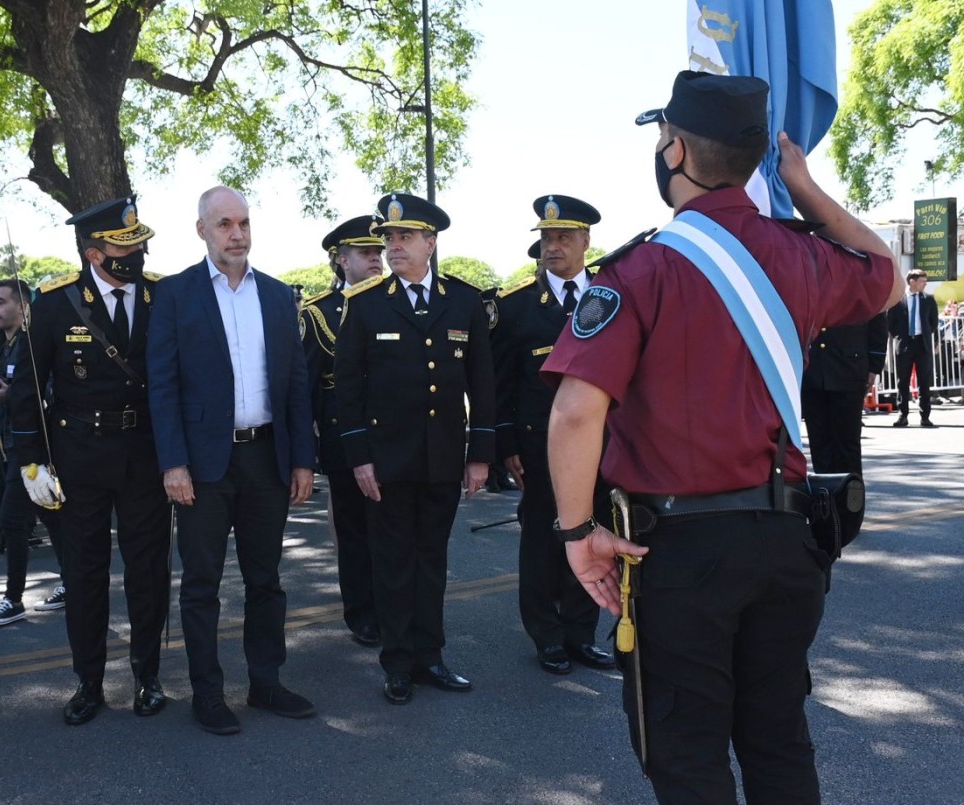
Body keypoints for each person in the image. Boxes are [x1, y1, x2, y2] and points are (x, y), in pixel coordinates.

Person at [544, 71, 902, 803]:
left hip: (682, 554)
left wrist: (578, 530)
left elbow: (576, 411)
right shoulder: (800, 254)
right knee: (778, 745)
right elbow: (888, 277)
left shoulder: (641, 269)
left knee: (686, 755)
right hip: (785, 541)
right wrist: (802, 185)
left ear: (674, 151)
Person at [147, 186, 317, 735]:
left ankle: (266, 683)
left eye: (243, 222)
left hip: (268, 458)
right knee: (202, 585)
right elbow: (163, 386)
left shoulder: (275, 294)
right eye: (224, 224)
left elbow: (295, 381)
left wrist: (302, 459)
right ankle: (209, 693)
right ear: (202, 230)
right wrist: (173, 463)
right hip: (201, 466)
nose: (237, 233)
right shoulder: (175, 295)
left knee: (266, 581)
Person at [7, 195, 172, 725]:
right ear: (94, 253)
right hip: (78, 456)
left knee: (148, 571)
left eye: (140, 242)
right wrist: (32, 462)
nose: (139, 251)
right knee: (84, 574)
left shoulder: (160, 297)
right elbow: (29, 388)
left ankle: (148, 675)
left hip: (145, 455)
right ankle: (89, 681)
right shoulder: (55, 304)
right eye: (126, 245)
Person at [333, 192, 496, 705]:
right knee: (392, 563)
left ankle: (431, 657)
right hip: (387, 460)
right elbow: (348, 388)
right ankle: (397, 663)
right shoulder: (364, 304)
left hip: (443, 457)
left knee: (432, 561)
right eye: (388, 238)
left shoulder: (464, 302)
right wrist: (359, 457)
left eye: (404, 237)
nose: (393, 246)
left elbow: (483, 386)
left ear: (431, 241)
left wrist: (480, 455)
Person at [492, 195, 614, 676]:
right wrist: (506, 446)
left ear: (586, 241)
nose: (554, 246)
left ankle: (581, 633)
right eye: (546, 238)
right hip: (540, 448)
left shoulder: (612, 295)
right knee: (544, 543)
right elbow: (500, 383)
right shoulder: (518, 306)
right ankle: (547, 636)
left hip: (604, 445)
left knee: (594, 534)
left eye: (564, 237)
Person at [299, 215, 384, 647]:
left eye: (378, 251)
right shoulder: (319, 314)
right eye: (365, 252)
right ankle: (362, 612)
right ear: (340, 259)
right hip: (343, 438)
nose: (376, 258)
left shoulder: (394, 300)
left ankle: (392, 605)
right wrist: (308, 452)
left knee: (394, 529)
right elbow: (309, 387)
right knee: (354, 532)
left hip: (392, 435)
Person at [0, 278, 67, 627]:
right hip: (10, 447)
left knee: (12, 521)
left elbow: (49, 399)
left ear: (22, 307)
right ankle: (73, 582)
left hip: (34, 451)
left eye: (0, 302)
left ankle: (12, 600)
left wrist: (12, 394)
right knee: (53, 519)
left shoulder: (34, 346)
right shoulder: (1, 347)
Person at [802, 315, 888, 476]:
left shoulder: (863, 288)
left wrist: (874, 365)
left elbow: (877, 316)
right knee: (819, 444)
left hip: (849, 369)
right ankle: (825, 497)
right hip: (812, 371)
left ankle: (850, 498)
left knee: (847, 445)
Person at [888, 270, 938, 427]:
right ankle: (903, 415)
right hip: (905, 344)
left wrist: (925, 335)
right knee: (902, 381)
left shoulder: (929, 299)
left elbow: (933, 322)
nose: (925, 283)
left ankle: (925, 416)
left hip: (922, 345)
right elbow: (891, 322)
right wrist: (899, 337)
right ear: (912, 281)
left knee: (924, 381)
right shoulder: (898, 300)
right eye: (923, 280)